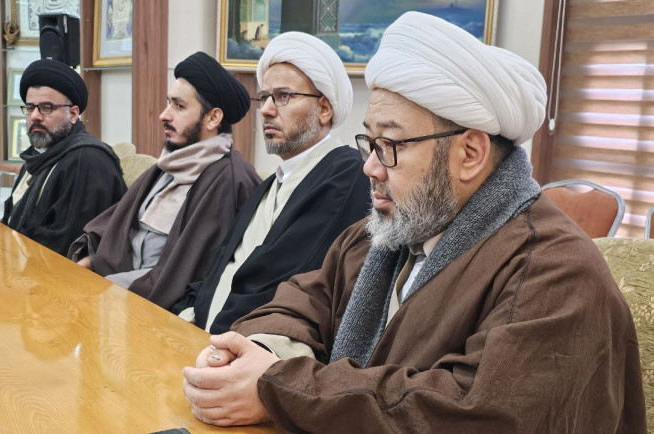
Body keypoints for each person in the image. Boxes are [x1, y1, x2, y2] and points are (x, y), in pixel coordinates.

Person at [182, 12, 645, 432]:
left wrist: (282, 387)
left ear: (470, 153)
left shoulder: (555, 271)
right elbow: (297, 304)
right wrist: (255, 359)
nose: (370, 166)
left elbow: (471, 412)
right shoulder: (378, 236)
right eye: (370, 142)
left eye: (391, 145)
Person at [171, 32, 370, 334]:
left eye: (283, 96)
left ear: (324, 109)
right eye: (264, 97)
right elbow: (221, 268)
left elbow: (280, 286)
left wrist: (212, 339)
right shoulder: (270, 184)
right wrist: (188, 316)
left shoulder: (345, 173)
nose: (265, 109)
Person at [67, 52, 261, 310]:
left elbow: (189, 278)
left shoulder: (230, 181)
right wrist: (87, 262)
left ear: (213, 118)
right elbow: (114, 228)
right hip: (112, 295)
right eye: (168, 103)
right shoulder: (166, 166)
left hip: (147, 309)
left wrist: (99, 291)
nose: (164, 115)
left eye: (179, 106)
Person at [2, 59, 126, 256]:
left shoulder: (88, 161)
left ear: (73, 114)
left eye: (46, 108)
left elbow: (66, 246)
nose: (35, 116)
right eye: (30, 108)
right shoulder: (38, 155)